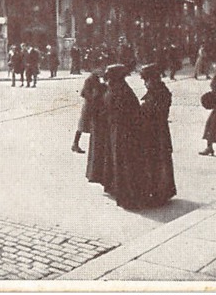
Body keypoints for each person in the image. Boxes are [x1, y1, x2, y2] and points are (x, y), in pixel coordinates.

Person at [102, 63, 145, 210]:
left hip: (123, 133)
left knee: (124, 163)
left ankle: (127, 196)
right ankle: (120, 191)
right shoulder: (120, 90)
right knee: (120, 162)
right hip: (118, 132)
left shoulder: (119, 91)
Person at [139, 63, 176, 206]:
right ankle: (159, 190)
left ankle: (160, 192)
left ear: (153, 79)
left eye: (146, 80)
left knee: (158, 160)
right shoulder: (157, 91)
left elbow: (153, 112)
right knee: (156, 160)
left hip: (157, 131)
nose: (145, 84)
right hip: (155, 130)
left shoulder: (160, 93)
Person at [72, 70, 104, 154]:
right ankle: (75, 144)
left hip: (94, 106)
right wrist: (93, 96)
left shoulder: (96, 79)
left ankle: (77, 144)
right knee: (82, 126)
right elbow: (84, 93)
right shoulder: (89, 80)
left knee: (89, 126)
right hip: (89, 107)